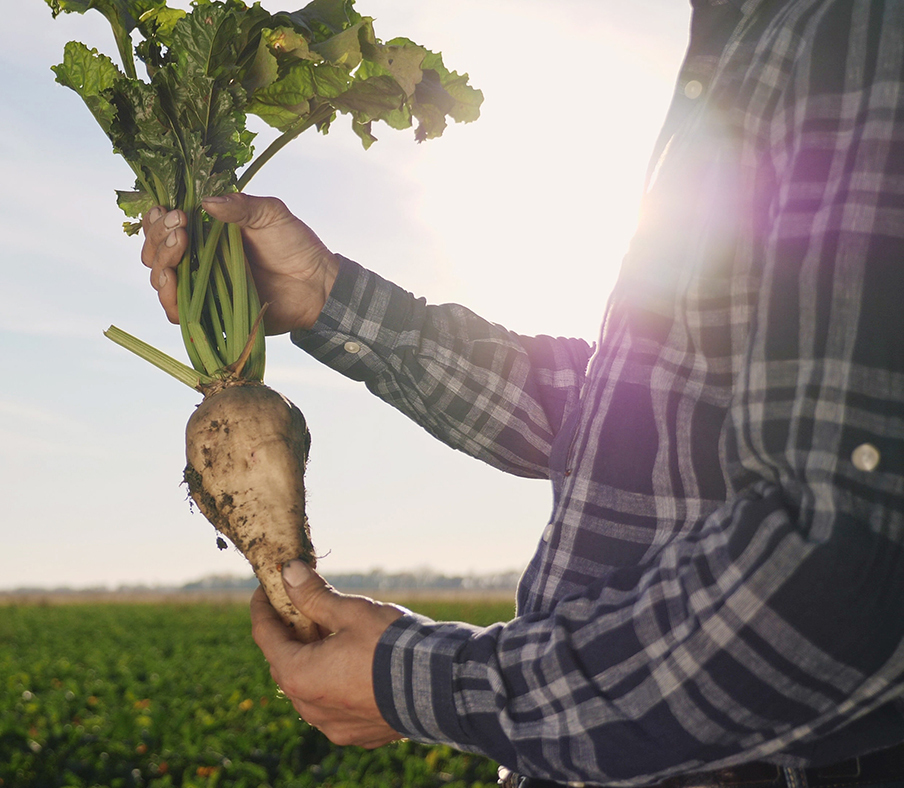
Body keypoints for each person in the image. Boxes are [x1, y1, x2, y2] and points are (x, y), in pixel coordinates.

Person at [139, 1, 904, 787]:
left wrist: (425, 686)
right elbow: (638, 414)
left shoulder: (855, 34)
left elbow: (844, 580)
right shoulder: (752, 38)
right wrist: (325, 295)